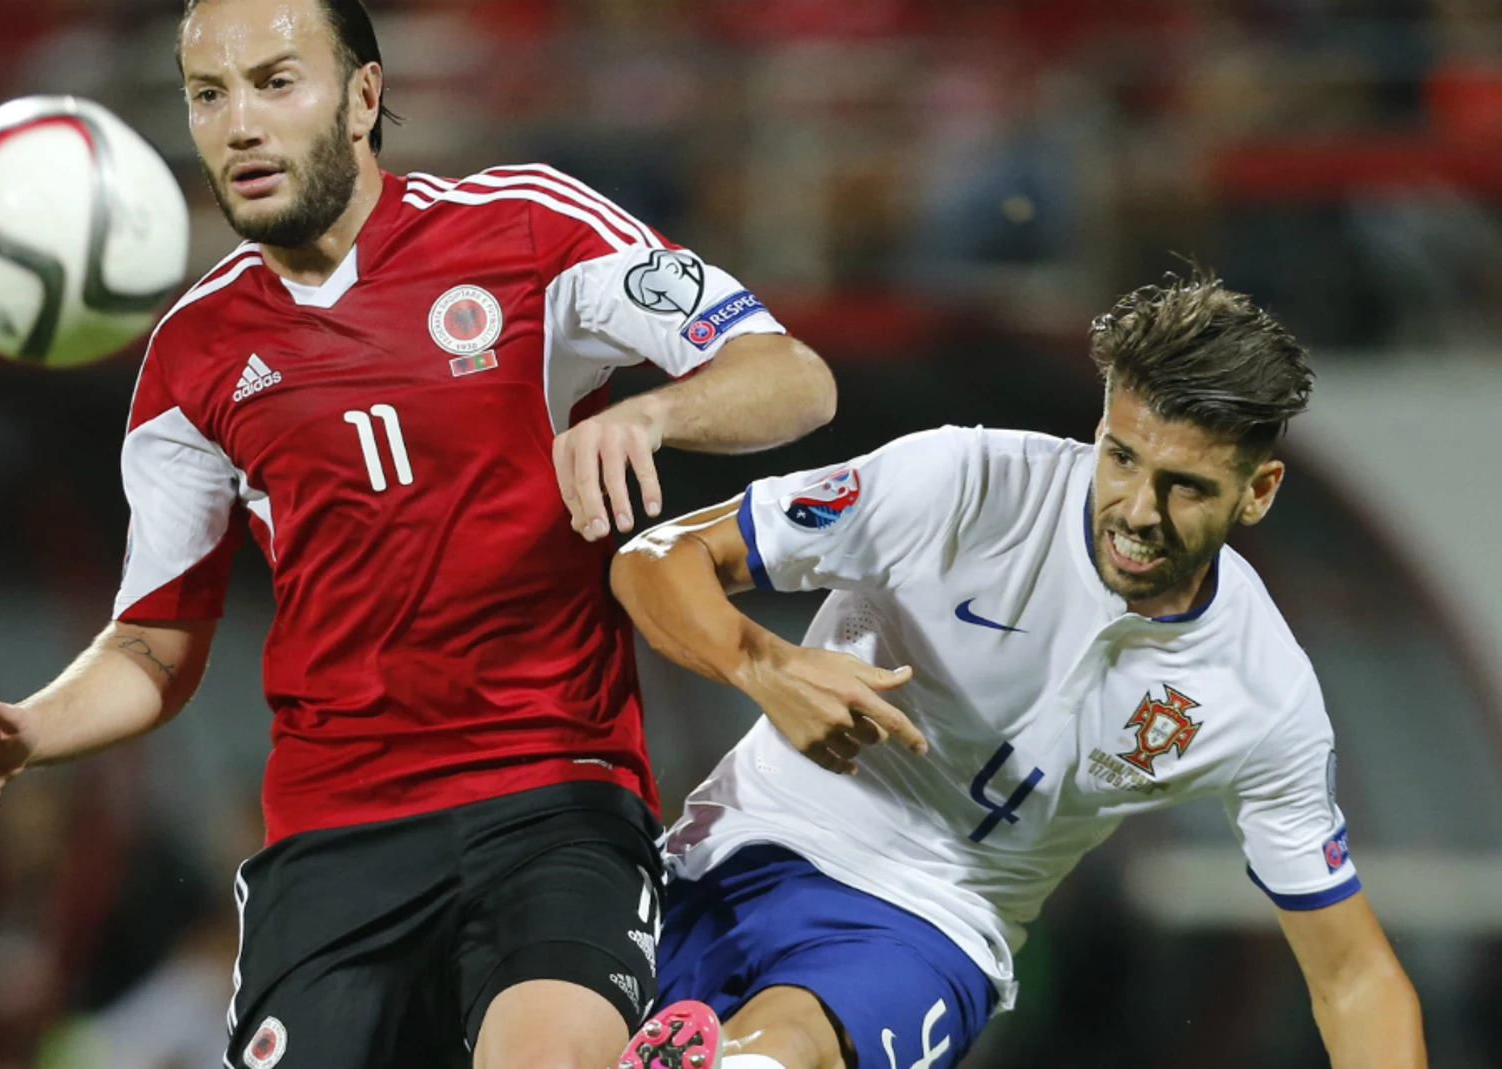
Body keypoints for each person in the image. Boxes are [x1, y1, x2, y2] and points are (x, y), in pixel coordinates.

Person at [0, 2, 840, 1068]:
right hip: (334, 836)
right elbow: (150, 645)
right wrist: (29, 731)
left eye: (276, 81)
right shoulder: (191, 358)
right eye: (209, 95)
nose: (240, 125)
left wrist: (654, 410)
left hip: (552, 793)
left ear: (363, 97)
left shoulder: (530, 230)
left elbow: (791, 378)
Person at [610, 274, 1427, 1069]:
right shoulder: (968, 484)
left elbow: (1355, 976)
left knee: (791, 1046)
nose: (1138, 510)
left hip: (937, 919)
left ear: (1259, 492)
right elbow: (657, 559)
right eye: (1123, 458)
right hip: (738, 844)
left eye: (1185, 488)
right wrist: (767, 666)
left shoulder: (1262, 692)